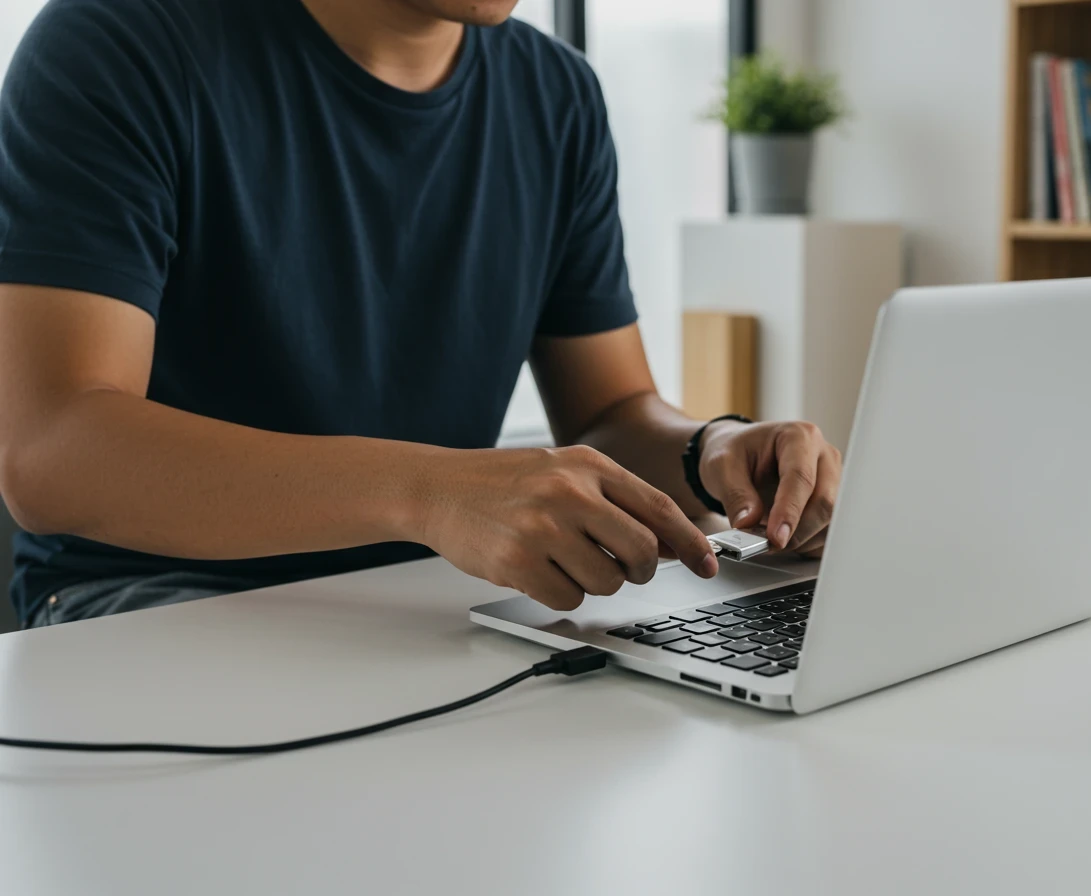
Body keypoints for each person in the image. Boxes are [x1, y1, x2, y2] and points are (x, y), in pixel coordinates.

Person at [0, 0, 842, 629]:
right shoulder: (117, 43)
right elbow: (50, 449)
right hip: (151, 602)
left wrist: (711, 452)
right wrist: (427, 494)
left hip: (434, 605)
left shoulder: (556, 95)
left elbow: (611, 414)